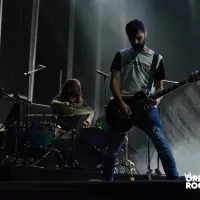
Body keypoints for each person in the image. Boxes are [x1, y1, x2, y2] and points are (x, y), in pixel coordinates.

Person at [103, 19, 179, 181]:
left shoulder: (157, 59)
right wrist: (121, 104)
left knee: (162, 145)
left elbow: (159, 87)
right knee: (111, 152)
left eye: (138, 37)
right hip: (123, 108)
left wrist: (157, 101)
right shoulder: (121, 55)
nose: (135, 42)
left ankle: (176, 184)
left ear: (145, 33)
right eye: (132, 39)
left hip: (147, 109)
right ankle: (105, 187)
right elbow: (113, 82)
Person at [50, 78, 94, 167]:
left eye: (80, 87)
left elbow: (91, 111)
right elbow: (53, 103)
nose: (79, 89)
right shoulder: (61, 97)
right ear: (70, 88)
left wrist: (89, 120)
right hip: (60, 130)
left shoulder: (80, 101)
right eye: (77, 87)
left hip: (73, 132)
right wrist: (62, 104)